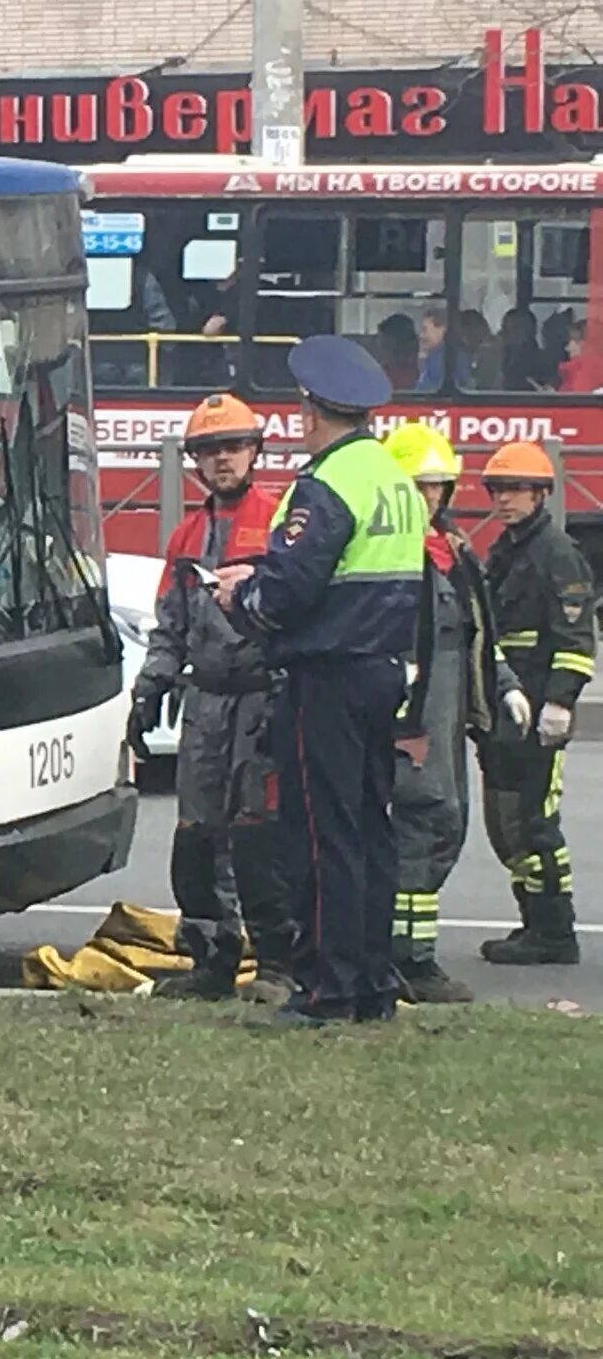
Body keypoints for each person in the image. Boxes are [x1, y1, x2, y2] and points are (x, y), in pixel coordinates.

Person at [214, 335, 424, 1026]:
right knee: (370, 831)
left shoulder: (325, 484)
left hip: (325, 675)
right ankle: (371, 984)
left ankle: (324, 990)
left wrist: (240, 597)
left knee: (318, 834)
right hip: (382, 669)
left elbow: (289, 595)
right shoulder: (394, 479)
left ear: (311, 411)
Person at [128, 393, 293, 1001]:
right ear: (195, 461)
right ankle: (213, 961)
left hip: (262, 701)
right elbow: (169, 625)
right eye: (209, 450)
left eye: (232, 447)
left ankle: (277, 963)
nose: (222, 459)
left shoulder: (282, 523)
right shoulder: (188, 535)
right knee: (195, 838)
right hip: (206, 705)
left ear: (255, 451)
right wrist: (150, 689)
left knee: (259, 838)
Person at [382, 423, 530, 1003]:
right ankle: (408, 963)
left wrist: (507, 685)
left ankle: (407, 953)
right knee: (420, 826)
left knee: (446, 827)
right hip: (411, 718)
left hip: (449, 715)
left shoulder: (456, 551)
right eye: (418, 488)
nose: (430, 499)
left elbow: (479, 635)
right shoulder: (392, 556)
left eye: (438, 488)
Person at [477, 440, 595, 966]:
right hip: (506, 712)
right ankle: (531, 921)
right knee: (508, 825)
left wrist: (560, 704)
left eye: (515, 489)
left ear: (542, 493)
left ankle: (554, 930)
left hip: (538, 714)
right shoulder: (508, 548)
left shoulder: (556, 553)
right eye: (497, 489)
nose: (504, 499)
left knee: (535, 823)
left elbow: (574, 638)